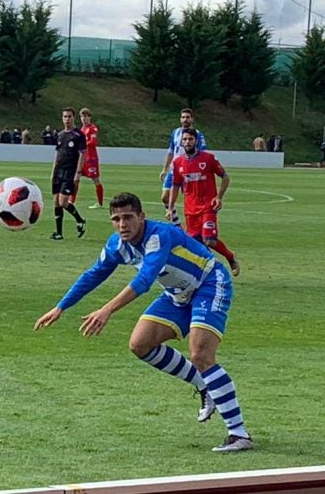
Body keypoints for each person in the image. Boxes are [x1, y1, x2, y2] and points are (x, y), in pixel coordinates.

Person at [34, 192, 252, 453]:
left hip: (209, 283)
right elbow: (93, 274)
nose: (122, 224)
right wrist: (61, 307)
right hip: (177, 294)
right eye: (116, 219)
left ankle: (239, 434)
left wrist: (107, 310)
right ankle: (203, 384)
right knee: (140, 344)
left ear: (141, 217)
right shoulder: (117, 245)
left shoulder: (159, 236)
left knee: (200, 353)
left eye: (128, 217)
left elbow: (144, 280)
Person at [169, 128, 240, 276]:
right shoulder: (178, 163)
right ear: (181, 142)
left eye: (190, 139)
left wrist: (218, 197)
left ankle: (230, 256)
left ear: (196, 141)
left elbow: (225, 177)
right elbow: (175, 186)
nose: (187, 142)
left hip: (208, 206)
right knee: (197, 244)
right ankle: (212, 269)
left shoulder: (208, 158)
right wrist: (170, 207)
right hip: (190, 210)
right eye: (185, 139)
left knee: (209, 240)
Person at [160, 108, 205, 228]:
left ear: (192, 119)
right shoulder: (175, 132)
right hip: (174, 169)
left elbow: (202, 153)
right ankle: (177, 224)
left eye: (188, 117)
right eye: (183, 117)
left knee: (191, 200)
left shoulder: (198, 135)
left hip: (189, 171)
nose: (185, 119)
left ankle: (196, 225)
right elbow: (170, 151)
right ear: (180, 119)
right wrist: (164, 169)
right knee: (165, 196)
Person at [50, 107, 87, 241]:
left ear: (74, 118)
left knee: (63, 202)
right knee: (56, 202)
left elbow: (83, 154)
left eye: (69, 116)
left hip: (70, 172)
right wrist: (53, 171)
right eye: (65, 116)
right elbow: (57, 154)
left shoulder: (78, 135)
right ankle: (58, 233)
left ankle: (80, 219)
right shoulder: (60, 135)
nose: (67, 119)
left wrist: (78, 173)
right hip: (58, 171)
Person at [78, 108, 105, 209]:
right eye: (81, 116)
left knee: (96, 180)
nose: (83, 119)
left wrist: (82, 144)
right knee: (76, 178)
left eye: (85, 116)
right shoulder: (82, 129)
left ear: (89, 117)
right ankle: (71, 200)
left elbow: (93, 142)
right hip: (83, 159)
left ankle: (100, 203)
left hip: (91, 158)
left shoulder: (92, 128)